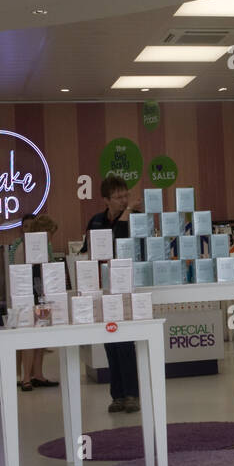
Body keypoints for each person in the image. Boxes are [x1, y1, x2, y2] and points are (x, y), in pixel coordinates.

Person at [82, 175, 142, 413]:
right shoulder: (95, 221)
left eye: (125, 195)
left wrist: (127, 213)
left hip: (126, 288)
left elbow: (121, 242)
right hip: (103, 290)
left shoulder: (133, 219)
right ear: (106, 199)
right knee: (110, 343)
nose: (123, 200)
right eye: (118, 197)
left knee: (126, 342)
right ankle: (116, 395)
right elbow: (89, 252)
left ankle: (131, 395)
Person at [15, 213, 59, 391]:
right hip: (28, 298)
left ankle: (37, 375)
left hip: (39, 296)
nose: (51, 238)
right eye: (50, 233)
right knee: (29, 338)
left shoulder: (39, 247)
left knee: (40, 336)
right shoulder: (25, 247)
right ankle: (26, 377)